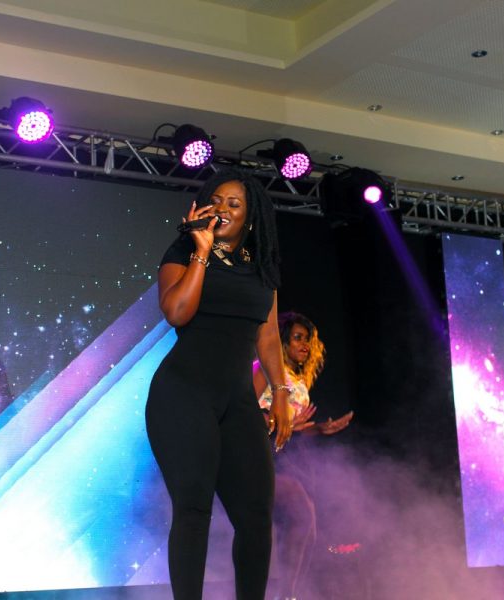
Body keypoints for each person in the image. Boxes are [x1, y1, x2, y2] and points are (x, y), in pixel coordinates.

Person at [145, 168, 292, 600]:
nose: (224, 209)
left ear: (250, 215)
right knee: (194, 509)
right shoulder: (183, 249)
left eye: (235, 203)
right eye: (218, 201)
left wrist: (281, 393)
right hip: (183, 393)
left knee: (256, 516)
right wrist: (201, 252)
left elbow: (268, 335)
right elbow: (177, 312)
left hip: (238, 401)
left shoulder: (261, 263)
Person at [253, 312, 354, 600]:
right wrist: (279, 421)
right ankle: (284, 595)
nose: (305, 345)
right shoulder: (264, 369)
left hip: (291, 457)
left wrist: (319, 429)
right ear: (282, 341)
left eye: (307, 340)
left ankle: (286, 593)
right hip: (263, 454)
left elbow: (294, 427)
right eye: (298, 338)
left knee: (307, 529)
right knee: (300, 513)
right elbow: (244, 409)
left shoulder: (298, 380)